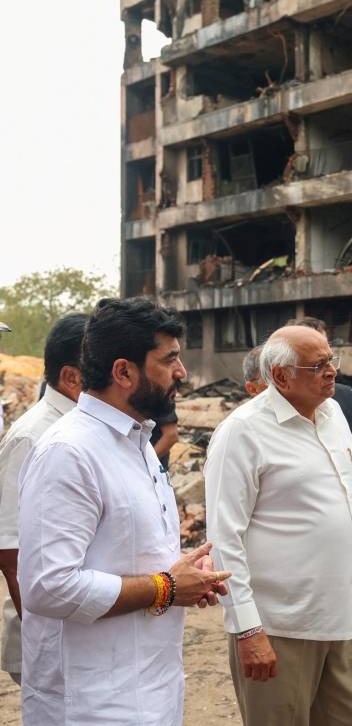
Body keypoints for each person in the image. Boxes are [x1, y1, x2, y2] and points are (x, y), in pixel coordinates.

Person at [17, 297, 229, 724]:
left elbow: (131, 551)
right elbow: (47, 586)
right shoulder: (69, 452)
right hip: (90, 704)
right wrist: (167, 586)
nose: (182, 372)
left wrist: (185, 575)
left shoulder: (138, 442)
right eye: (169, 359)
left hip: (151, 689)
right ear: (124, 371)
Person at [206, 325, 352, 726]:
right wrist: (247, 630)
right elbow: (225, 538)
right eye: (318, 365)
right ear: (280, 376)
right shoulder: (242, 431)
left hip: (346, 621)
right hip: (280, 629)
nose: (331, 371)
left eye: (332, 359)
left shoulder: (333, 415)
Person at [0, 313, 87, 686]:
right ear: (71, 377)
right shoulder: (33, 436)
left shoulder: (89, 427)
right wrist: (47, 644)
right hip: (50, 646)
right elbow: (12, 552)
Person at [288, 317, 352, 444]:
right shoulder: (257, 423)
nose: (332, 371)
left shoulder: (347, 398)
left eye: (326, 345)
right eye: (314, 348)